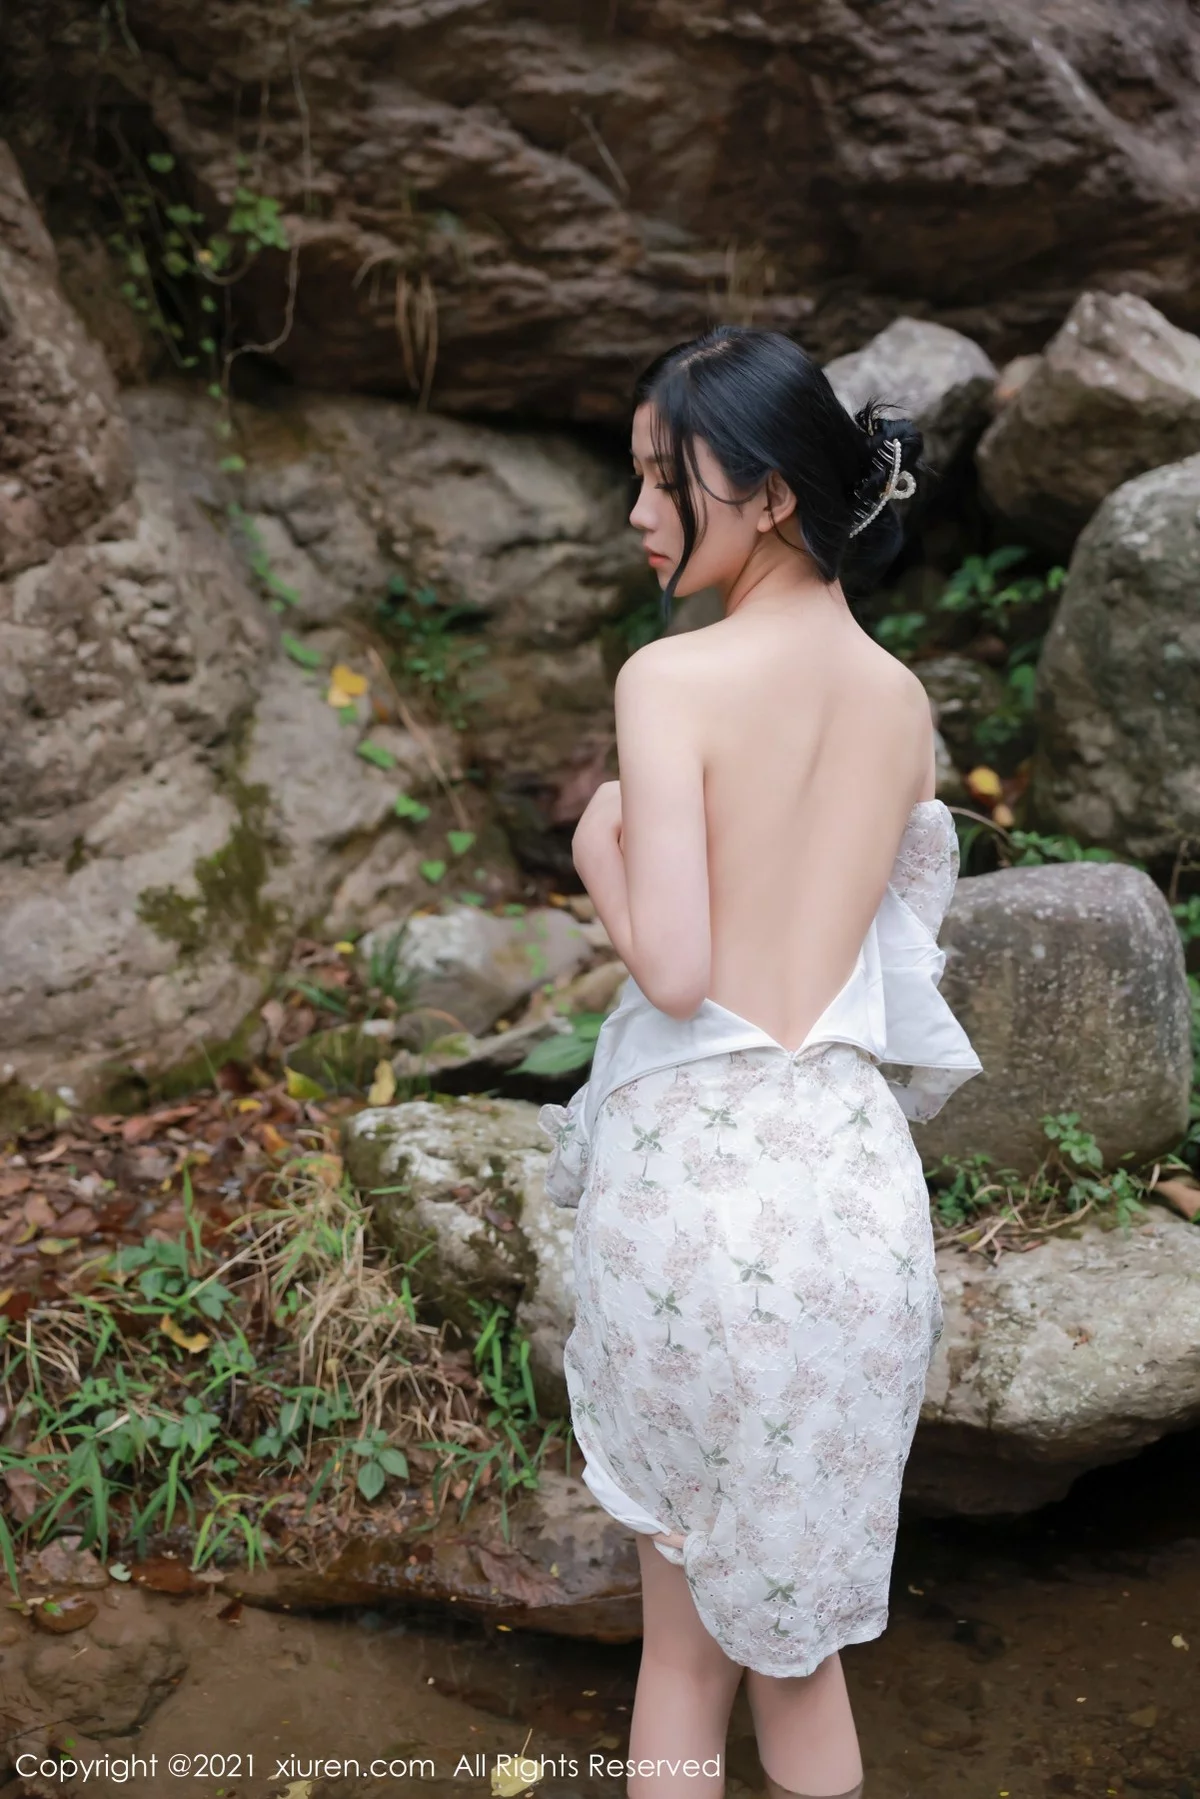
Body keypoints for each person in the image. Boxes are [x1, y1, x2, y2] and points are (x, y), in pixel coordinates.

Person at [537, 325, 983, 1799]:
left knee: (682, 1657)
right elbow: (888, 952)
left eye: (665, 480)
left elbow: (674, 971)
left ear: (773, 493)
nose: (638, 513)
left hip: (703, 1202)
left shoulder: (672, 681)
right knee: (803, 1659)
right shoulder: (903, 704)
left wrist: (597, 849)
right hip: (852, 1200)